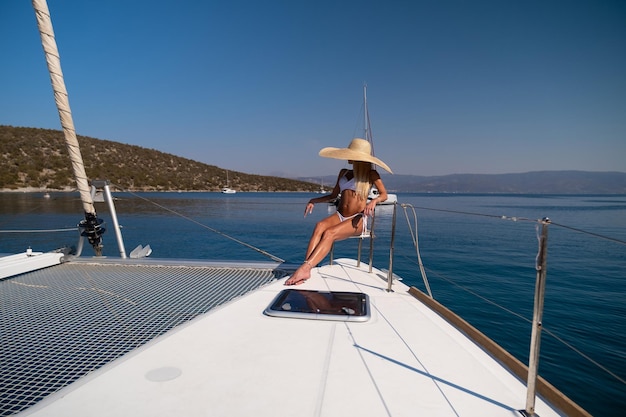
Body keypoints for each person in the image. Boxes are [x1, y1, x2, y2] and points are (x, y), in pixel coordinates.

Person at [285, 138, 392, 285]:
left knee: (329, 233)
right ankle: (308, 265)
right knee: (320, 226)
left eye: (350, 154)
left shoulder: (371, 174)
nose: (347, 156)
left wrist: (373, 201)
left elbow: (384, 194)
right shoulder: (343, 172)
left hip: (358, 219)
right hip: (340, 214)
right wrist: (314, 200)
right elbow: (333, 196)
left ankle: (305, 268)